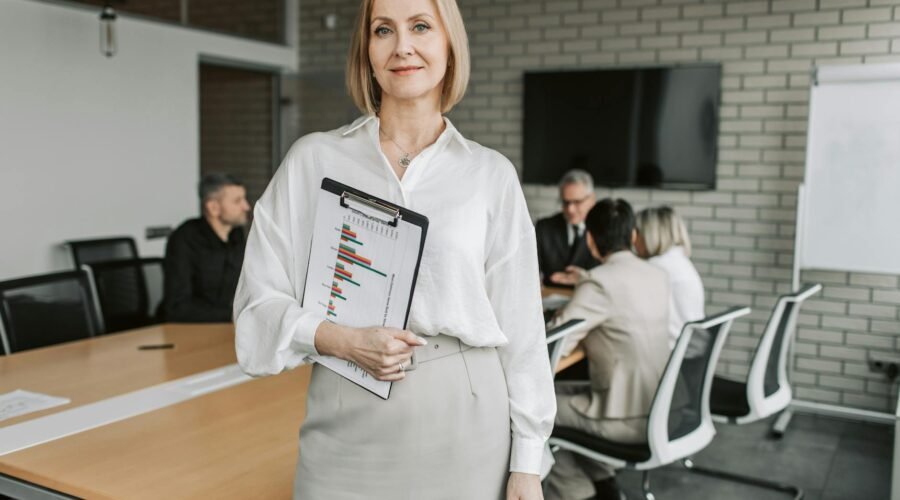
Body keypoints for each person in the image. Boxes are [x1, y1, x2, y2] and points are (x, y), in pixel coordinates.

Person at [233, 0, 554, 498]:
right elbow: (256, 308)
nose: (402, 46)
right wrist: (340, 340)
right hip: (346, 407)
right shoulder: (313, 161)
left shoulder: (490, 175)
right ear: (367, 49)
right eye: (383, 30)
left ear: (450, 44)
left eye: (421, 27)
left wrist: (528, 462)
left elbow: (522, 327)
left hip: (468, 419)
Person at [543, 199, 670, 500]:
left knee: (536, 408)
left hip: (625, 418)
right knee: (564, 392)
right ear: (634, 236)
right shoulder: (657, 275)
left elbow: (554, 347)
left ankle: (580, 494)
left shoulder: (599, 283)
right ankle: (604, 484)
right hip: (660, 405)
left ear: (589, 240)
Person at [162, 173, 249, 322]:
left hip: (227, 327)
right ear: (213, 207)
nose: (246, 206)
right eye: (237, 201)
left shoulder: (237, 235)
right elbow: (178, 307)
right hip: (190, 329)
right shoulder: (185, 238)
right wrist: (234, 315)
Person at [634, 206, 705, 349]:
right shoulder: (680, 262)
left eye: (637, 233)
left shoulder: (656, 268)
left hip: (669, 354)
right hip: (687, 352)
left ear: (649, 235)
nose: (633, 241)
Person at [535, 169, 601, 287]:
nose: (570, 209)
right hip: (549, 299)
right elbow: (532, 270)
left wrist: (584, 278)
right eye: (565, 202)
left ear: (592, 199)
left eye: (577, 202)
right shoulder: (544, 228)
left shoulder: (604, 229)